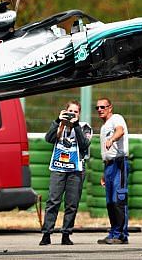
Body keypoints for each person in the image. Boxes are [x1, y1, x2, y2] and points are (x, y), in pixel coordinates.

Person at [39, 100, 92, 246]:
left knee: (71, 204)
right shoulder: (59, 125)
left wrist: (75, 125)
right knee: (53, 201)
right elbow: (48, 138)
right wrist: (57, 121)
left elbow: (84, 144)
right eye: (70, 111)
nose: (72, 114)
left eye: (75, 112)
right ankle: (47, 234)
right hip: (58, 168)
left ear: (79, 114)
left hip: (76, 170)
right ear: (65, 111)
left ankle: (66, 234)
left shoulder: (84, 127)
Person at [95, 97, 130, 245]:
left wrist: (112, 139)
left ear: (110, 107)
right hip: (109, 165)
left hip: (119, 163)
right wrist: (104, 172)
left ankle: (121, 234)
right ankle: (113, 231)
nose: (100, 110)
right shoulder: (103, 127)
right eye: (97, 108)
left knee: (118, 199)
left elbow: (120, 131)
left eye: (103, 107)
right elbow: (106, 152)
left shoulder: (116, 118)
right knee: (110, 202)